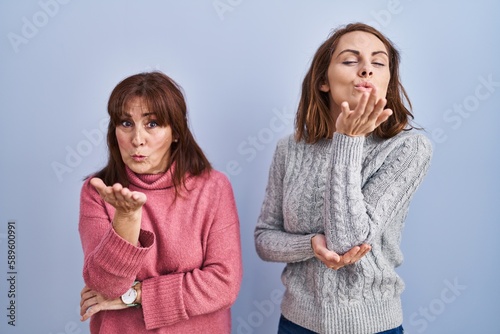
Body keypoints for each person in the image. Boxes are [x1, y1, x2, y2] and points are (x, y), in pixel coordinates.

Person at [254, 23, 432, 334]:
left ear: (388, 80)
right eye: (351, 60)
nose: (366, 69)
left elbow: (348, 241)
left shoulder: (409, 148)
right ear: (323, 80)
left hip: (372, 327)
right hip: (296, 323)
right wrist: (310, 244)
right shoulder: (289, 148)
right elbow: (264, 240)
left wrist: (348, 140)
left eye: (378, 63)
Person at [78, 71, 242, 333]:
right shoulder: (98, 192)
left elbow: (224, 284)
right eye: (126, 123)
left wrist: (135, 294)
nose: (137, 139)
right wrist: (127, 218)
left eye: (152, 124)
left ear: (175, 132)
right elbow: (105, 286)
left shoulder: (214, 187)